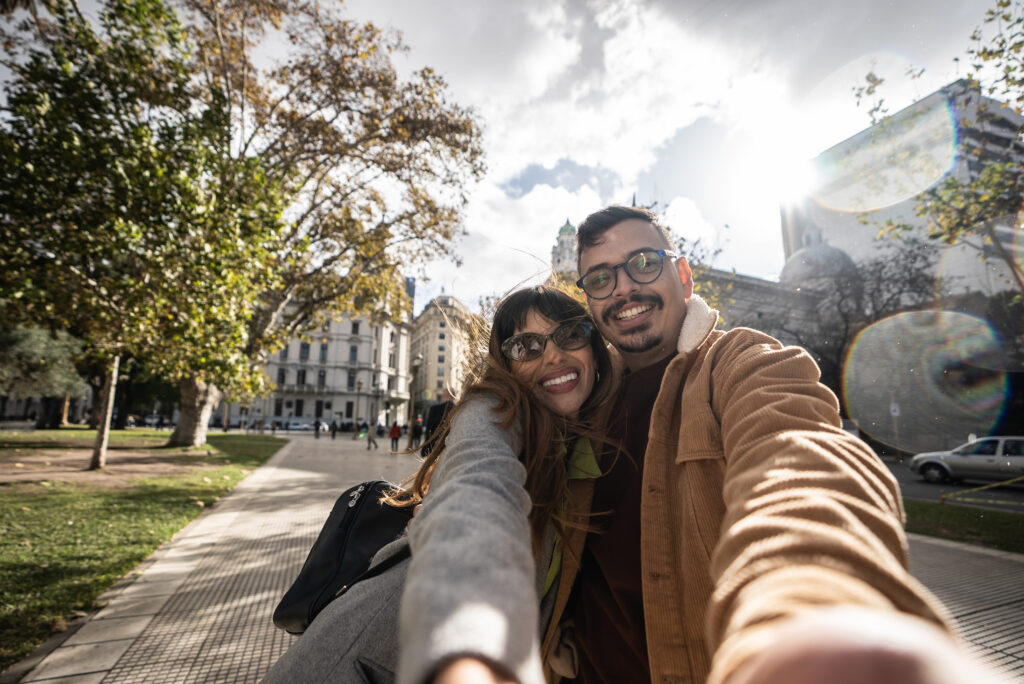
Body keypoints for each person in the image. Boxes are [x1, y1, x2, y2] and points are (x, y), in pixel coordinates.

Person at [420, 205, 1008, 684]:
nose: (624, 287)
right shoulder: (581, 398)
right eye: (600, 277)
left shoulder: (743, 363)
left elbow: (800, 462)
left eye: (643, 264)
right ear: (590, 301)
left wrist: (812, 607)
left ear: (683, 276)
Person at [262, 286, 614, 684]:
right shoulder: (494, 410)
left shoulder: (590, 435)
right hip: (366, 661)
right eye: (526, 346)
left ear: (594, 345)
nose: (553, 354)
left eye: (570, 334)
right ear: (507, 365)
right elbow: (476, 493)